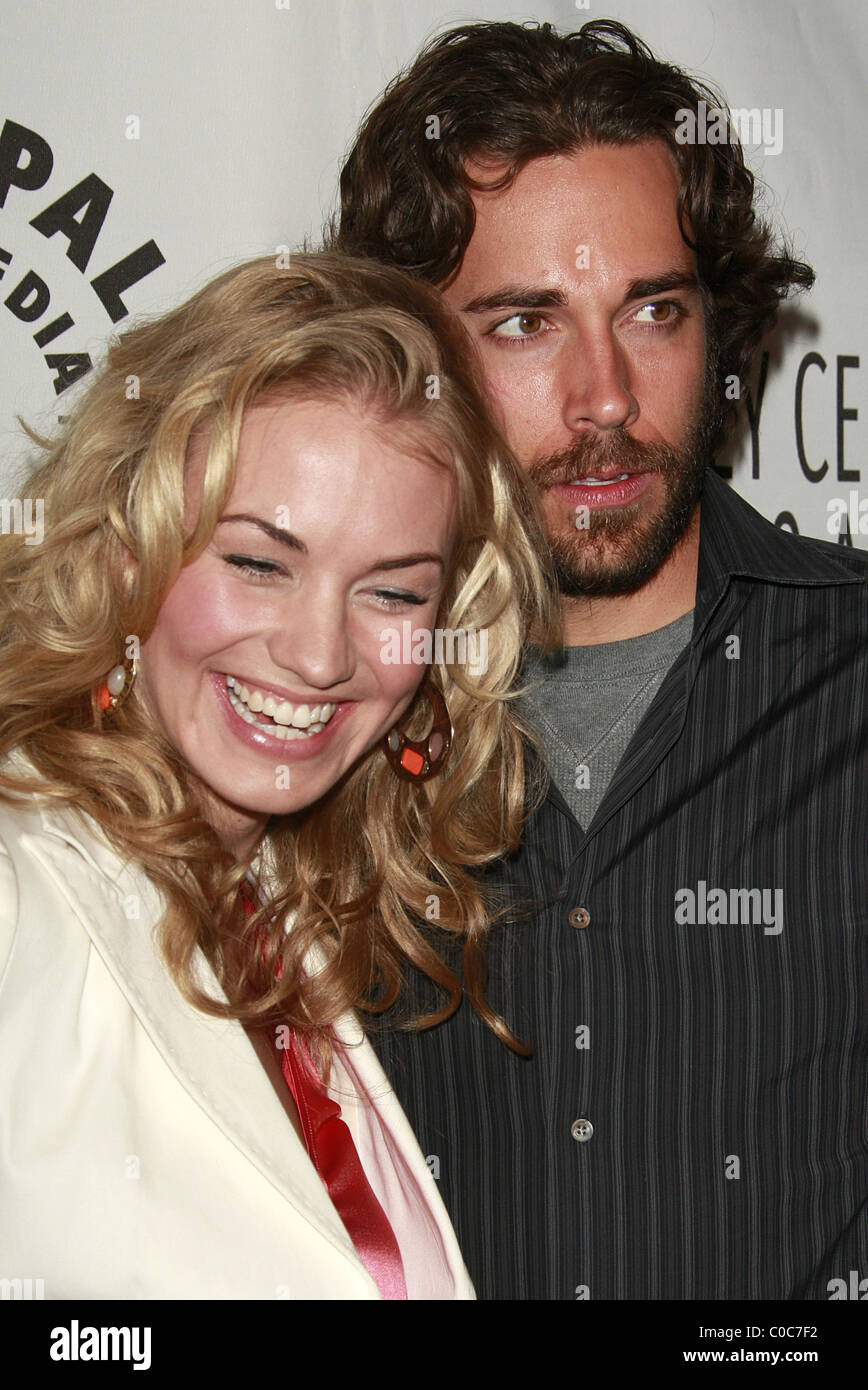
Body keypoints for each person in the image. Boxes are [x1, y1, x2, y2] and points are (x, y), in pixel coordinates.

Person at [333, 19, 868, 1300]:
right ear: (413, 357)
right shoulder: (317, 714)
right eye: (525, 322)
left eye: (653, 311)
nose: (607, 397)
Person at [0, 250, 558, 1299]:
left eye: (391, 594)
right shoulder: (19, 894)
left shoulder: (288, 935)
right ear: (130, 547)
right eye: (258, 562)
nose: (317, 656)